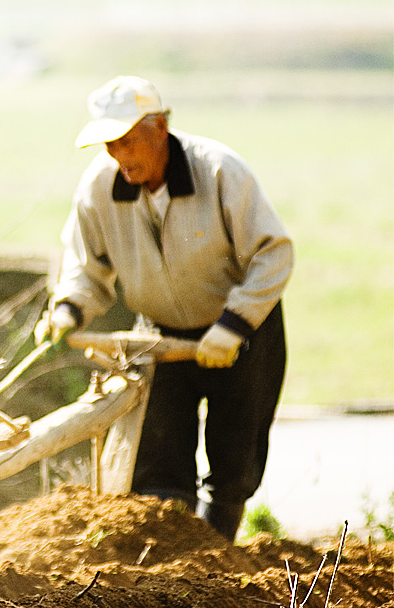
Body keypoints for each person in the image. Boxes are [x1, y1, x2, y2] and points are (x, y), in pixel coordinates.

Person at [35, 76, 293, 542]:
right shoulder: (99, 186)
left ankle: (218, 552)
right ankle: (170, 563)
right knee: (158, 461)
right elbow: (84, 265)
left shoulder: (218, 171)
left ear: (161, 127)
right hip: (159, 336)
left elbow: (272, 254)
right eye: (110, 144)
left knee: (234, 458)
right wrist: (68, 309)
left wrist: (233, 325)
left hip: (242, 333)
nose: (120, 156)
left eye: (128, 141)